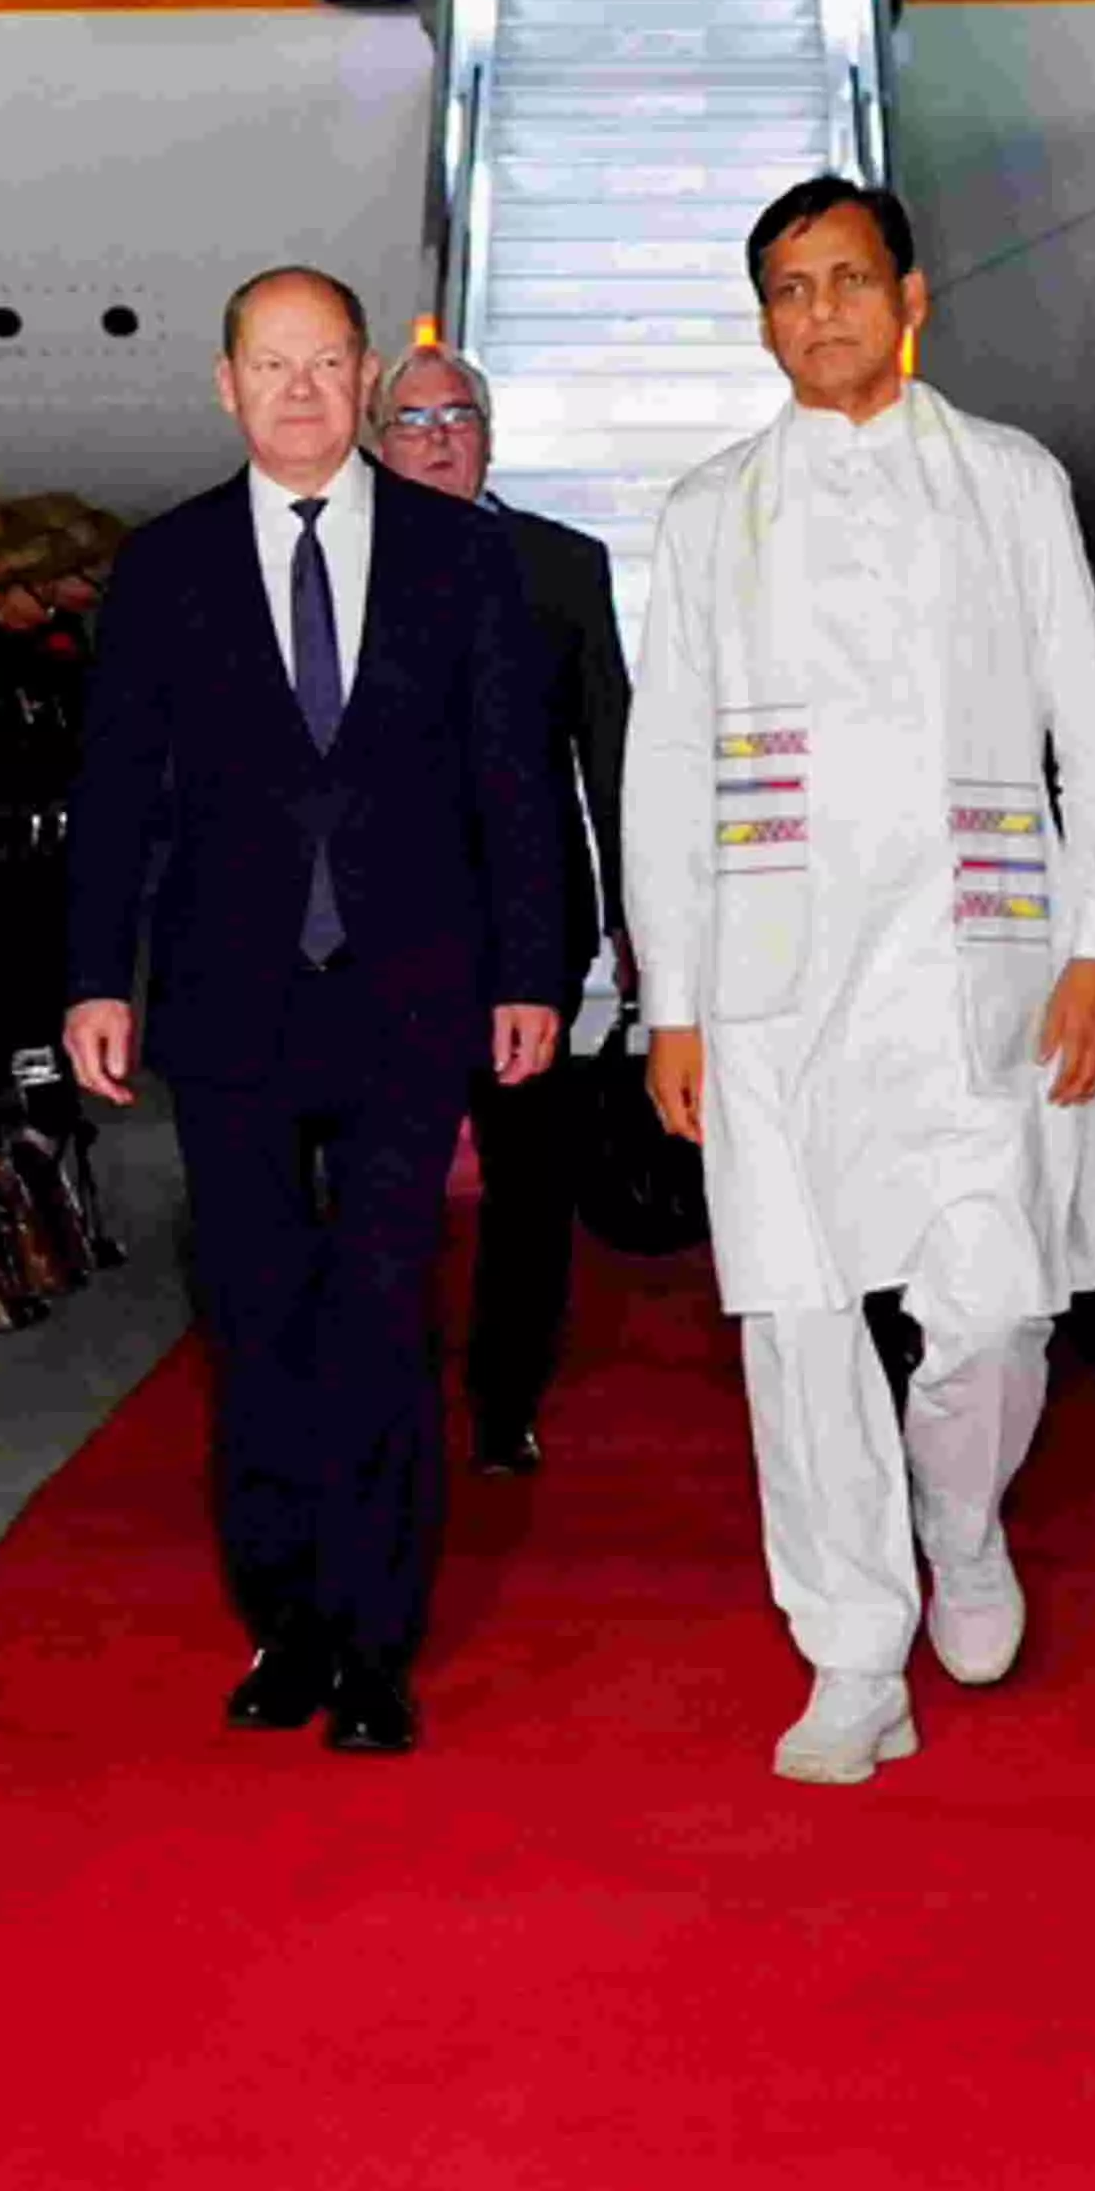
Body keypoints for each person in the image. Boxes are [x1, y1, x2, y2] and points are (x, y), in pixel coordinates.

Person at [624, 179, 1095, 1786]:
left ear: (912, 297)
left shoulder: (1007, 483)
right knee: (798, 1329)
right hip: (773, 992)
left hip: (979, 978)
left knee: (997, 1312)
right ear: (763, 320)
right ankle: (853, 1651)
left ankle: (963, 1518)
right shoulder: (710, 508)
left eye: (846, 281)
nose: (820, 314)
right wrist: (670, 998)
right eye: (788, 291)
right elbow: (663, 769)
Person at [62, 269, 563, 1758]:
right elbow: (116, 796)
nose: (297, 392)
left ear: (366, 381)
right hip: (229, 1005)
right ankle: (282, 1621)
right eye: (269, 366)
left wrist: (532, 971)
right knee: (255, 1317)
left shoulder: (457, 561)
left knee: (385, 1318)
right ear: (226, 386)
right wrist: (99, 975)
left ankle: (376, 1644)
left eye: (325, 364)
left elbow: (514, 783)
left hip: (413, 998)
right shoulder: (165, 568)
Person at [368, 343, 630, 1475]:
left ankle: (504, 1395)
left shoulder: (561, 565)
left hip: (530, 934)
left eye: (456, 415)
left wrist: (641, 913)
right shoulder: (330, 563)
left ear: (489, 432)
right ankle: (386, 1393)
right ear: (378, 441)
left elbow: (609, 750)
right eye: (412, 418)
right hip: (373, 939)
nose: (435, 436)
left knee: (528, 1183)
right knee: (386, 1181)